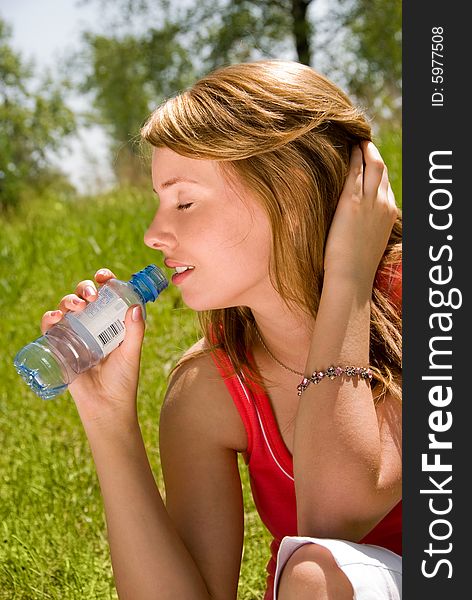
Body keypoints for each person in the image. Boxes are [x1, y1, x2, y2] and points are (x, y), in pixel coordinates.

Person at [41, 60, 402, 600]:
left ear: (290, 192)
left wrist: (347, 277)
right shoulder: (210, 389)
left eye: (184, 200)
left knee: (313, 575)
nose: (154, 234)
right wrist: (107, 419)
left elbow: (334, 509)